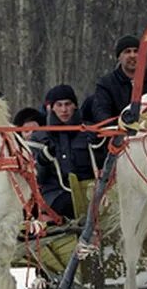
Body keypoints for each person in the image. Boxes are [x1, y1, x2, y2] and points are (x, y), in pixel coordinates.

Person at [33, 85, 103, 219]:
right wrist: (42, 160)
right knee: (69, 205)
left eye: (68, 104)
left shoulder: (90, 132)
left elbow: (104, 165)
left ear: (75, 106)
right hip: (55, 194)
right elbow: (36, 179)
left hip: (89, 190)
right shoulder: (39, 138)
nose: (64, 110)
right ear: (51, 108)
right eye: (59, 105)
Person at [92, 34, 147, 124]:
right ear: (119, 57)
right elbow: (101, 113)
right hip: (119, 132)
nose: (132, 55)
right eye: (127, 52)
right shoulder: (106, 84)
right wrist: (121, 123)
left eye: (136, 51)